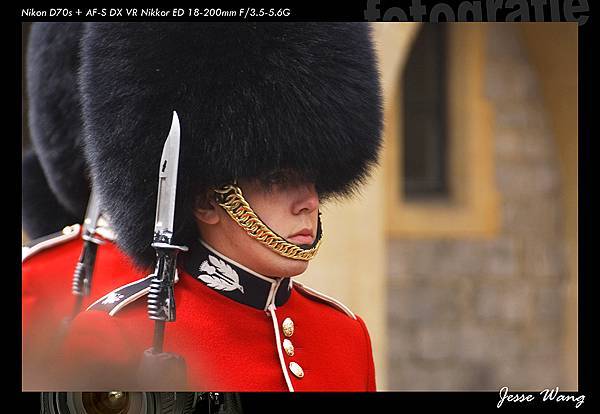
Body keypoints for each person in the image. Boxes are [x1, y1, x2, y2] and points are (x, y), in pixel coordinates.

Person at [24, 22, 383, 392]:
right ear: (206, 201)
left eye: (312, 179)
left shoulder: (346, 335)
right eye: (276, 180)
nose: (309, 201)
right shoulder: (116, 337)